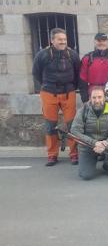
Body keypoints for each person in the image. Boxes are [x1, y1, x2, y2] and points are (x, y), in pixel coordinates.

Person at [32, 27, 81, 166]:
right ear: (52, 40)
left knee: (72, 125)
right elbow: (36, 73)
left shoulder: (72, 54)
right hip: (49, 93)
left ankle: (74, 154)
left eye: (64, 39)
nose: (63, 42)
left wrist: (72, 87)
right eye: (60, 39)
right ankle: (52, 155)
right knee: (50, 126)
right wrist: (47, 85)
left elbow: (78, 73)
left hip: (68, 93)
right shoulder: (42, 55)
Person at [70, 87, 108, 179]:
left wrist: (106, 144)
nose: (97, 100)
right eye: (94, 97)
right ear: (90, 98)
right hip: (87, 146)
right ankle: (91, 160)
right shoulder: (83, 111)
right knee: (86, 175)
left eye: (99, 97)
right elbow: (75, 131)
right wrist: (94, 143)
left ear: (104, 98)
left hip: (105, 144)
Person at [78, 33, 108, 103]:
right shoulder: (87, 58)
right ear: (95, 42)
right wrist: (84, 97)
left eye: (104, 41)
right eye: (99, 41)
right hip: (93, 92)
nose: (101, 43)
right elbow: (82, 79)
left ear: (107, 42)